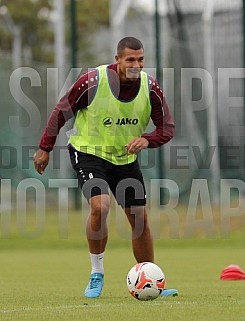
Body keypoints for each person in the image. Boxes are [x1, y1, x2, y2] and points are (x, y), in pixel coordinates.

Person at [34, 36, 178, 298]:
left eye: (141, 59)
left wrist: (147, 139)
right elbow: (60, 112)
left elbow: (167, 128)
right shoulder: (93, 81)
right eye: (130, 59)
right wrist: (45, 147)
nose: (137, 65)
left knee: (139, 219)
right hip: (89, 153)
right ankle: (96, 272)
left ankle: (152, 279)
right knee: (100, 206)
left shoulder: (150, 87)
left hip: (124, 160)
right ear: (118, 60)